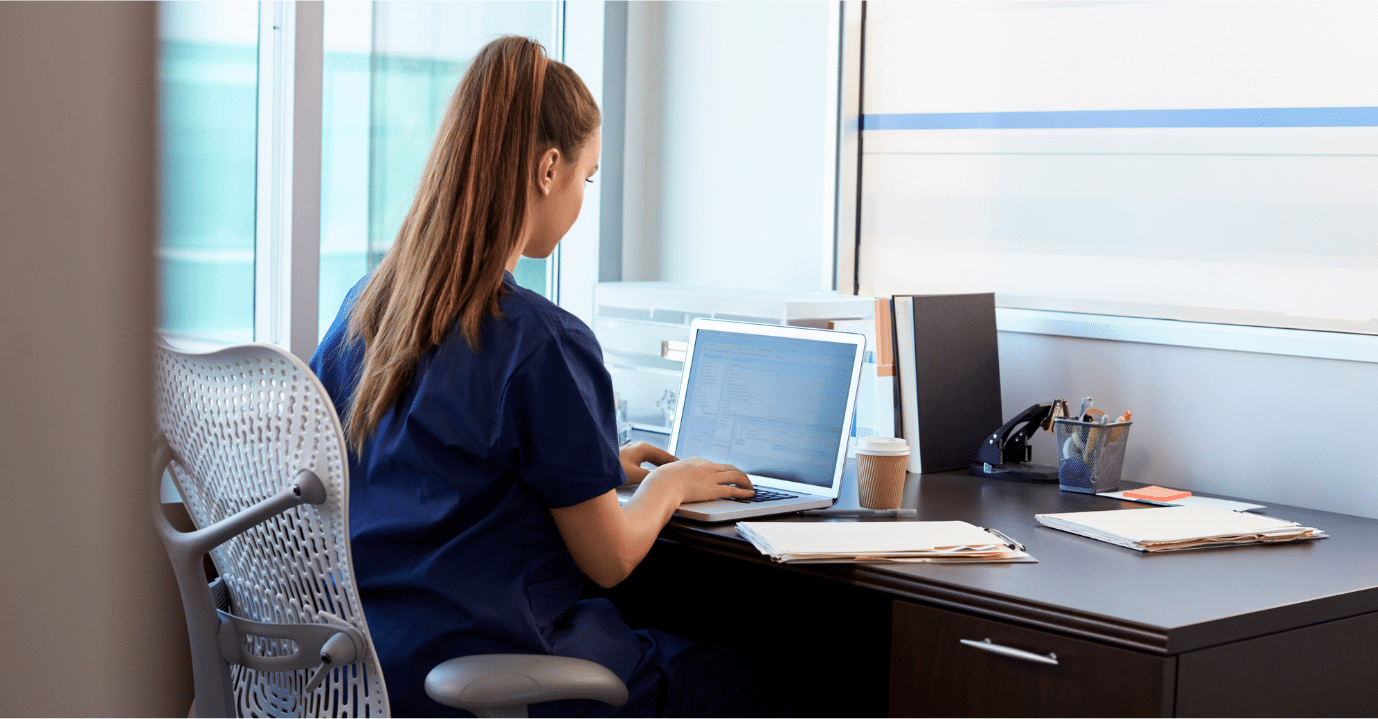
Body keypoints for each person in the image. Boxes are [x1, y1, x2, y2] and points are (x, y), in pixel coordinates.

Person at [310, 36, 783, 717]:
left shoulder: (367, 309)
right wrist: (669, 484)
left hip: (371, 672)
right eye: (587, 179)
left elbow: (428, 471)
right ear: (549, 168)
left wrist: (597, 470)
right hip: (495, 669)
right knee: (758, 681)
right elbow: (611, 558)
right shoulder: (542, 342)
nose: (582, 198)